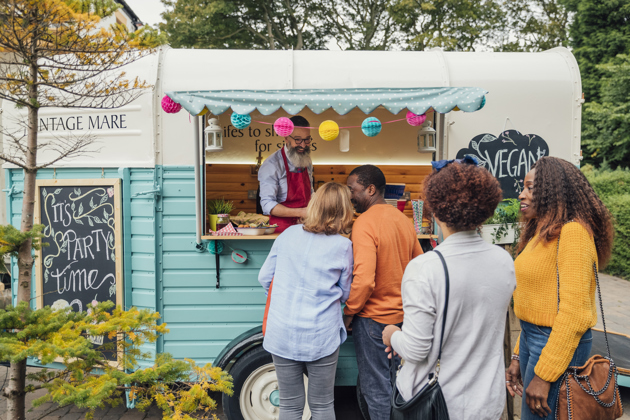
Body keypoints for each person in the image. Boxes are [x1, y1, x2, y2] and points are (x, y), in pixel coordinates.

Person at [382, 156, 516, 419]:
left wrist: (392, 336)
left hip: (438, 403)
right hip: (488, 401)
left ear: (435, 209)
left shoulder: (424, 268)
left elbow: (416, 349)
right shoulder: (504, 261)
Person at [505, 156, 614, 419]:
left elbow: (574, 314)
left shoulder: (573, 233)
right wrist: (519, 355)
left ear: (554, 191)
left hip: (556, 344)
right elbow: (538, 303)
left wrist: (544, 376)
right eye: (523, 187)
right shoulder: (541, 233)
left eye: (530, 188)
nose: (521, 194)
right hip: (535, 339)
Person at [258, 182, 354, 420]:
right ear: (344, 211)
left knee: (290, 406)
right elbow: (345, 292)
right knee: (322, 405)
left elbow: (264, 277)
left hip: (281, 330)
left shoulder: (288, 234)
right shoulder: (344, 246)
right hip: (321, 333)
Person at [344, 164, 422, 420]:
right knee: (401, 386)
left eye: (352, 189)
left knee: (376, 390)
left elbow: (364, 280)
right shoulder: (403, 220)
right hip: (403, 320)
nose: (349, 195)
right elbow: (419, 268)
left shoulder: (364, 223)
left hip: (373, 320)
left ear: (370, 189)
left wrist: (348, 312)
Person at [258, 115, 314, 233]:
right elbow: (267, 204)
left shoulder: (307, 160)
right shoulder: (272, 164)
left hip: (307, 226)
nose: (303, 145)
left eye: (307, 139)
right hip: (281, 230)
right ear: (286, 138)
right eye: (298, 139)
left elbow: (310, 193)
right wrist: (302, 212)